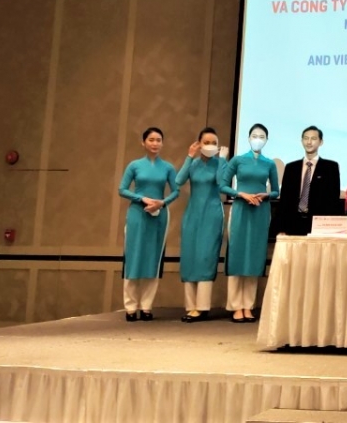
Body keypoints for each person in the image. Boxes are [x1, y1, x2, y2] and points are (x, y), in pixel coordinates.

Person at [219, 123, 280, 323]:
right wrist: (241, 194)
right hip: (240, 209)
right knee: (237, 254)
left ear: (266, 140)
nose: (257, 139)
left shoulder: (269, 163)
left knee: (254, 256)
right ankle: (235, 305)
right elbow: (223, 185)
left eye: (261, 136)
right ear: (248, 138)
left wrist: (265, 194)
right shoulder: (238, 160)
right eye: (254, 135)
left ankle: (248, 305)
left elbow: (276, 191)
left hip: (260, 211)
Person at [117, 127, 178, 322]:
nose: (155, 143)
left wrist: (162, 202)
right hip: (137, 214)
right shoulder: (134, 165)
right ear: (143, 142)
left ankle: (146, 306)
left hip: (159, 215)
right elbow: (122, 189)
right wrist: (142, 198)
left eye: (158, 140)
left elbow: (176, 191)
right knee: (133, 258)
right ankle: (130, 307)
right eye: (151, 139)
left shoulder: (168, 167)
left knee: (153, 259)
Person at [175, 127, 227, 323]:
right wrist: (189, 156)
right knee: (190, 257)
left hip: (212, 214)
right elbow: (178, 180)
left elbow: (221, 184)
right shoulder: (194, 163)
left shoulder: (219, 163)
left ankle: (202, 307)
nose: (210, 146)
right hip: (192, 214)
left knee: (206, 257)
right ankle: (191, 306)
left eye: (214, 143)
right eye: (206, 142)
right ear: (199, 144)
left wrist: (222, 160)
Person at [275, 126, 342, 236]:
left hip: (319, 225)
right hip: (292, 223)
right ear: (301, 141)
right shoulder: (291, 168)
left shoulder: (331, 167)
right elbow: (284, 199)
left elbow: (333, 200)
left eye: (313, 138)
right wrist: (281, 228)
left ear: (321, 142)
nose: (309, 142)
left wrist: (332, 228)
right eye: (306, 138)